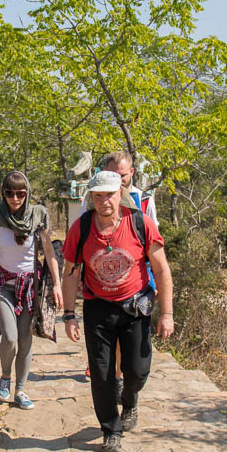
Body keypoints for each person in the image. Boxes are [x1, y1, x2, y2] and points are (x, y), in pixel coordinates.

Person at [61, 170, 174, 452]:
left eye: (109, 195)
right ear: (91, 198)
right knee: (101, 373)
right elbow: (70, 272)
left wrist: (167, 313)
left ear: (120, 193)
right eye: (98, 196)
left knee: (137, 370)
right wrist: (69, 314)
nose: (104, 201)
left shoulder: (140, 223)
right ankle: (111, 431)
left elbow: (161, 269)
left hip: (135, 305)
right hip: (98, 306)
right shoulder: (81, 228)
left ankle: (130, 398)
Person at [0, 171, 62, 410]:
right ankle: (5, 375)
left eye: (20, 193)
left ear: (27, 194)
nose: (15, 198)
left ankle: (21, 389)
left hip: (30, 285)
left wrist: (57, 284)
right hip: (3, 284)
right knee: (10, 337)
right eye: (9, 193)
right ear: (3, 193)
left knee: (26, 340)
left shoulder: (39, 215)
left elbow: (49, 253)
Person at [79, 151, 159, 388]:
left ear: (131, 173)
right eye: (112, 174)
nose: (118, 179)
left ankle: (123, 372)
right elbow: (84, 230)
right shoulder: (93, 199)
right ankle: (111, 370)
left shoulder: (144, 199)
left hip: (138, 272)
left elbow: (154, 237)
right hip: (101, 271)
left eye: (122, 175)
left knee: (131, 325)